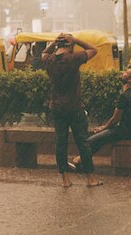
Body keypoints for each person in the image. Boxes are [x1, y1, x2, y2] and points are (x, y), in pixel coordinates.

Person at [42, 33, 102, 187]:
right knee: (83, 142)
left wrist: (53, 43)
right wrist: (76, 40)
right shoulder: (73, 58)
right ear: (70, 45)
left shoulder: (49, 60)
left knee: (60, 142)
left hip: (56, 106)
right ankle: (90, 178)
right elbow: (94, 50)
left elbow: (44, 53)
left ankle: (65, 180)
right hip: (74, 106)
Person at [69, 66, 131, 170]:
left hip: (125, 132)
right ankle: (80, 160)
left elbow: (115, 119)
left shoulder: (124, 96)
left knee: (91, 140)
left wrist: (103, 128)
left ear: (130, 79)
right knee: (100, 139)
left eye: (126, 72)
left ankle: (81, 162)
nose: (123, 73)